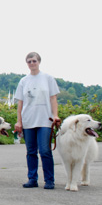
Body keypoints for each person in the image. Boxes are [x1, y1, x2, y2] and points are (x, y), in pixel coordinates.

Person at [14, 52, 60, 190]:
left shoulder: (48, 78)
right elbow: (20, 103)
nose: (32, 63)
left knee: (45, 150)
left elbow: (53, 98)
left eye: (34, 61)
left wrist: (55, 115)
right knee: (31, 151)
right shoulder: (23, 81)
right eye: (29, 61)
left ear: (39, 62)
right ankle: (32, 178)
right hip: (28, 120)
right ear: (26, 63)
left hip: (45, 119)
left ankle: (49, 180)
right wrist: (19, 121)